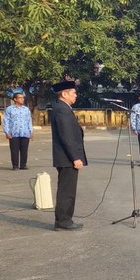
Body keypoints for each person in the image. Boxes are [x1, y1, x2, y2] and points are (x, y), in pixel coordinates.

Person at [50, 79, 87, 231]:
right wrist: (75, 158)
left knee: (68, 190)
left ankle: (65, 219)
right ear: (64, 94)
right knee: (67, 191)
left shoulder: (63, 108)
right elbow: (67, 136)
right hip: (67, 158)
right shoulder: (62, 109)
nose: (76, 96)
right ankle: (63, 221)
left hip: (66, 157)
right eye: (73, 93)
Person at [3, 91, 33, 170]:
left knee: (24, 150)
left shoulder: (26, 109)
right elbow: (6, 121)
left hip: (25, 132)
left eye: (23, 98)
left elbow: (29, 121)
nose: (22, 99)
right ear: (15, 99)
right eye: (20, 98)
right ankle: (15, 165)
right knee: (14, 150)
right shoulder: (9, 109)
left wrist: (31, 131)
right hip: (14, 133)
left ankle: (23, 165)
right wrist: (7, 132)